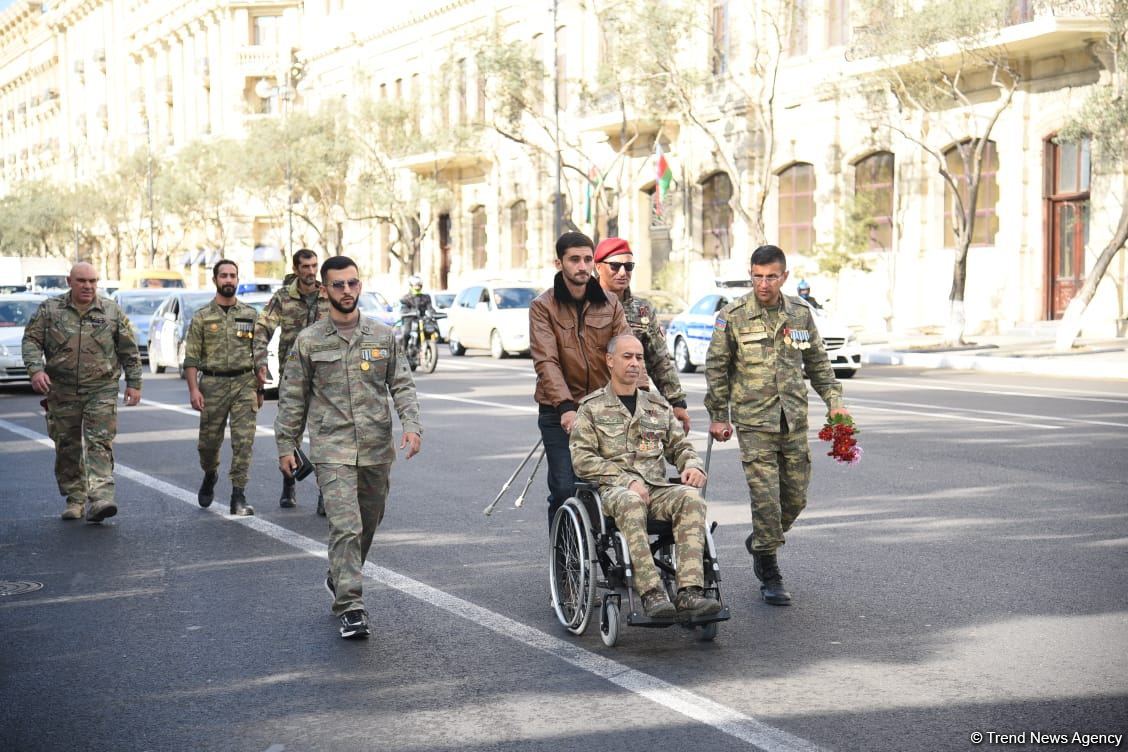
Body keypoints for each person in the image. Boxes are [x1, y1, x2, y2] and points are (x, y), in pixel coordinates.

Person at [275, 256, 422, 640]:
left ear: (360, 285)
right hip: (332, 448)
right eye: (337, 285)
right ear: (324, 290)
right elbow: (292, 397)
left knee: (368, 524)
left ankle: (337, 575)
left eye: (352, 283)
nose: (346, 291)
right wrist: (286, 445)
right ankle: (351, 606)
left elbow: (402, 385)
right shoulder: (308, 341)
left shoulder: (382, 335)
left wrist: (411, 425)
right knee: (346, 526)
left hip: (376, 447)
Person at [705, 245, 849, 606]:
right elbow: (717, 367)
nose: (763, 283)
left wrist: (835, 404)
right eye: (757, 276)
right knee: (766, 502)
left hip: (793, 421)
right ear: (750, 274)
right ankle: (769, 568)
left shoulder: (800, 314)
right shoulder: (733, 315)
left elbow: (818, 364)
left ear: (784, 276)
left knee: (795, 500)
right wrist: (719, 416)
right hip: (754, 424)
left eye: (771, 276)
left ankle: (760, 541)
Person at [570, 334, 721, 618]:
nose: (634, 363)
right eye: (627, 357)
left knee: (691, 498)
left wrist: (692, 465)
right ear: (610, 360)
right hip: (615, 492)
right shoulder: (591, 408)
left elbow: (680, 446)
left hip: (657, 489)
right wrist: (626, 480)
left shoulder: (657, 406)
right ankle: (651, 593)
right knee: (631, 501)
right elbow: (582, 459)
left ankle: (689, 592)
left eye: (639, 358)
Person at [21, 262, 142, 522]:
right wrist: (35, 370)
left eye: (93, 281)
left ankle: (100, 498)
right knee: (67, 445)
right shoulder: (50, 310)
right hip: (61, 390)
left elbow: (129, 350)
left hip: (101, 388)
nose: (88, 286)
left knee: (99, 441)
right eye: (82, 281)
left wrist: (134, 382)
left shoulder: (110, 311)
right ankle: (75, 497)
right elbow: (31, 340)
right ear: (70, 282)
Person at [530, 231, 629, 529]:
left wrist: (645, 399)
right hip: (559, 410)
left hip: (605, 409)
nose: (582, 266)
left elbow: (628, 354)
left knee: (616, 482)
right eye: (575, 260)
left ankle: (610, 553)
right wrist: (565, 407)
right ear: (559, 263)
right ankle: (564, 563)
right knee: (564, 488)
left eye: (587, 259)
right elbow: (546, 361)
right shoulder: (542, 306)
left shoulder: (611, 304)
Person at [253, 248, 329, 513]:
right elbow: (262, 328)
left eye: (314, 266)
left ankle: (325, 492)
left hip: (324, 377)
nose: (311, 271)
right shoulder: (283, 297)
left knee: (325, 433)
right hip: (293, 375)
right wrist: (259, 362)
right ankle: (289, 481)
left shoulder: (327, 294)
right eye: (305, 267)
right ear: (296, 269)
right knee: (289, 433)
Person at [184, 259, 261, 517]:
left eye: (233, 276)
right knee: (208, 444)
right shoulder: (202, 317)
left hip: (243, 383)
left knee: (243, 442)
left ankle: (238, 495)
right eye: (224, 276)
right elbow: (191, 359)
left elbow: (258, 354)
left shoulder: (251, 315)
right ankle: (210, 473)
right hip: (212, 385)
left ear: (238, 280)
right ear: (215, 280)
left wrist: (260, 388)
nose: (229, 280)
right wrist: (194, 390)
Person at [593, 237, 691, 433]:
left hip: (633, 402)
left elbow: (659, 359)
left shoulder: (642, 310)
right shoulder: (585, 305)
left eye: (628, 266)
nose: (623, 272)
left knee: (636, 461)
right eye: (615, 266)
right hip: (593, 402)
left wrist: (677, 401)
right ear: (598, 267)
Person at [398, 274, 432, 352]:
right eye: (416, 285)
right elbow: (403, 309)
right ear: (411, 286)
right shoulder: (405, 298)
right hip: (409, 319)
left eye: (419, 285)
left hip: (422, 319)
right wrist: (410, 312)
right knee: (406, 333)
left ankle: (425, 347)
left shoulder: (426, 297)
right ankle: (404, 351)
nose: (418, 287)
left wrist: (432, 313)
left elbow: (430, 308)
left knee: (430, 330)